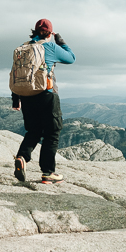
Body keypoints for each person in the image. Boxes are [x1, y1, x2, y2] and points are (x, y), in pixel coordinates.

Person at [12, 19, 75, 184]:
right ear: (50, 33)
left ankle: (22, 157)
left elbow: (18, 73)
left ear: (35, 31)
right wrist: (59, 40)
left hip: (26, 96)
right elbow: (71, 58)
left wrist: (16, 98)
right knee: (52, 133)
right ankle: (48, 173)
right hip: (46, 94)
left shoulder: (24, 47)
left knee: (33, 131)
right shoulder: (51, 47)